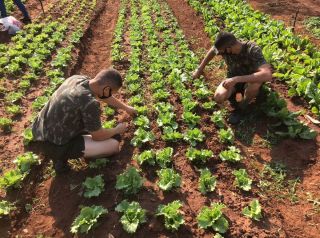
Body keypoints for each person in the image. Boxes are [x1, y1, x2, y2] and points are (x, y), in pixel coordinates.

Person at [30, 68, 137, 174]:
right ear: (105, 88)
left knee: (101, 131)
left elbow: (104, 96)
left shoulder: (78, 79)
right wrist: (117, 130)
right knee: (113, 145)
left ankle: (73, 150)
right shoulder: (89, 103)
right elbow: (98, 136)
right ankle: (59, 158)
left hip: (41, 129)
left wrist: (126, 108)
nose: (110, 95)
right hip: (53, 144)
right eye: (111, 92)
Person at [193, 32, 272, 124]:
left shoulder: (252, 49)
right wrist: (199, 70)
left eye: (222, 52)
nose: (221, 54)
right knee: (219, 97)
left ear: (229, 48)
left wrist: (237, 79)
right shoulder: (223, 47)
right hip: (233, 78)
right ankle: (236, 95)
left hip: (250, 80)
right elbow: (213, 50)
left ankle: (242, 107)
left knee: (254, 85)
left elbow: (267, 74)